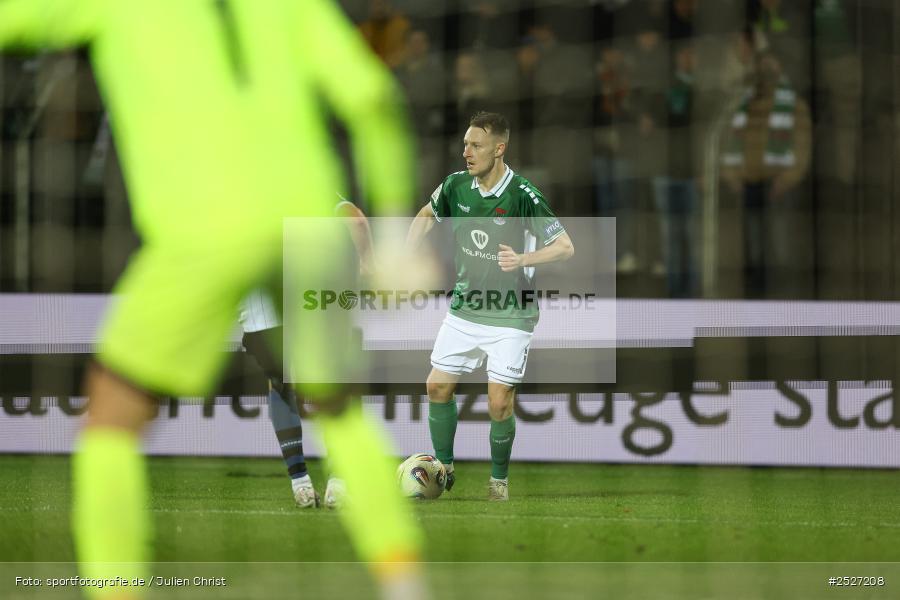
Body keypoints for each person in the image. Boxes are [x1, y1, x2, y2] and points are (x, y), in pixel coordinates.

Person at [0, 1, 426, 599]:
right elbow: (371, 96)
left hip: (203, 232)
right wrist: (390, 233)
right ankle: (405, 583)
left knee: (113, 414)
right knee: (338, 406)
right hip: (306, 224)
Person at [406, 112, 574, 501]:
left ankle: (498, 481)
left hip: (511, 313)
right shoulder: (455, 186)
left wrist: (523, 260)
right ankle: (444, 470)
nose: (466, 151)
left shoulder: (523, 195)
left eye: (476, 145)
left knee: (499, 401)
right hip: (465, 307)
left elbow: (565, 247)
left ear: (499, 149)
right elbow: (426, 216)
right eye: (465, 144)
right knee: (437, 385)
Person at [239, 199, 372, 509]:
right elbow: (354, 219)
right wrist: (367, 260)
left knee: (280, 381)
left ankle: (300, 484)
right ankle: (338, 483)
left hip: (257, 284)